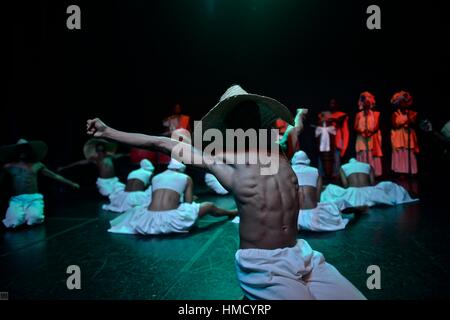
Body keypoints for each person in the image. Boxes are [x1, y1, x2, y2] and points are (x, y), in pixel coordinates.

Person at [86, 84, 365, 300]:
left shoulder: (280, 150)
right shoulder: (221, 159)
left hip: (301, 253)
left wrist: (301, 114)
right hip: (264, 267)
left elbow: (296, 127)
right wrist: (109, 132)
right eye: (243, 113)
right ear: (233, 125)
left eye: (252, 110)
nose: (250, 117)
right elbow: (161, 143)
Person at [108, 158, 237, 234]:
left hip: (148, 220)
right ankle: (231, 212)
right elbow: (188, 205)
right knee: (209, 206)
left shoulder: (157, 177)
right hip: (170, 220)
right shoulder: (185, 178)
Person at [0, 139, 79, 228]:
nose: (22, 152)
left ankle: (30, 214)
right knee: (12, 222)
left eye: (25, 149)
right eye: (20, 149)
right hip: (17, 200)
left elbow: (55, 176)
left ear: (29, 151)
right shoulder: (9, 166)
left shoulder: (37, 165)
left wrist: (71, 183)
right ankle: (20, 216)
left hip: (33, 198)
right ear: (16, 151)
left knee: (34, 218)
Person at [291, 151, 354, 232]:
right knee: (334, 206)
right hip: (313, 216)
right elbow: (317, 199)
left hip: (293, 218)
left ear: (293, 160)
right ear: (307, 161)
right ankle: (359, 209)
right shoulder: (315, 171)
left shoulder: (288, 172)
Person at [320, 158, 417, 207]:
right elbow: (372, 182)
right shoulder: (367, 165)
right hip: (369, 191)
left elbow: (345, 185)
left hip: (352, 193)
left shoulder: (343, 167)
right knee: (389, 186)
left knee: (329, 189)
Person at [58, 139, 126, 196]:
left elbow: (119, 155)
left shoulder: (109, 156)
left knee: (122, 193)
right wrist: (64, 167)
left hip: (114, 180)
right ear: (96, 151)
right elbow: (80, 162)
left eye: (102, 150)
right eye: (99, 150)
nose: (100, 152)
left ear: (104, 150)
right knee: (109, 195)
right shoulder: (95, 158)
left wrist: (128, 154)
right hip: (104, 182)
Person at [317, 99, 349, 180]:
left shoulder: (341, 115)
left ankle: (336, 175)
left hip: (336, 141)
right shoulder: (324, 114)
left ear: (337, 105)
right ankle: (322, 175)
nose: (332, 105)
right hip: (324, 141)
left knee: (336, 158)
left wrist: (344, 147)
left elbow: (345, 130)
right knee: (322, 157)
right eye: (331, 103)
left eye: (334, 103)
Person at [354, 92, 383, 176]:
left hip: (372, 136)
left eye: (368, 102)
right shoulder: (359, 114)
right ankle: (364, 173)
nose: (366, 103)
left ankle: (374, 173)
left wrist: (370, 133)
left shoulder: (375, 114)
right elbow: (355, 127)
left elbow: (377, 126)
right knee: (363, 153)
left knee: (371, 154)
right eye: (365, 102)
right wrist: (362, 132)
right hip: (361, 137)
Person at [390, 91, 419, 175]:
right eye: (401, 102)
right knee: (401, 152)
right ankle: (401, 172)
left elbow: (414, 123)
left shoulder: (412, 113)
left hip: (409, 134)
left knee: (409, 152)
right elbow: (395, 125)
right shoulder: (395, 114)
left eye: (404, 102)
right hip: (399, 135)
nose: (403, 104)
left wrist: (409, 119)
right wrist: (406, 121)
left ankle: (412, 171)